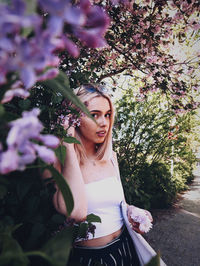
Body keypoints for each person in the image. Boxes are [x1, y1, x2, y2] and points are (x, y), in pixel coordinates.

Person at [52, 84, 153, 266]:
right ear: (73, 119)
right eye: (94, 114)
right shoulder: (57, 160)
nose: (104, 122)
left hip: (124, 248)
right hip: (91, 258)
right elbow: (77, 213)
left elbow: (118, 203)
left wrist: (133, 212)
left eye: (107, 115)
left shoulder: (111, 158)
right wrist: (68, 144)